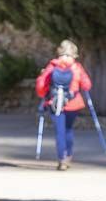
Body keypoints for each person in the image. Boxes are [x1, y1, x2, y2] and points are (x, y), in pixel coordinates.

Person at [35, 40, 92, 170]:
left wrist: (44, 95)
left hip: (55, 103)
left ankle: (62, 159)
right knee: (68, 130)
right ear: (74, 54)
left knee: (59, 131)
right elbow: (87, 85)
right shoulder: (76, 67)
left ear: (59, 52)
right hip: (73, 103)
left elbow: (41, 85)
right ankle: (69, 155)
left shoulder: (52, 66)